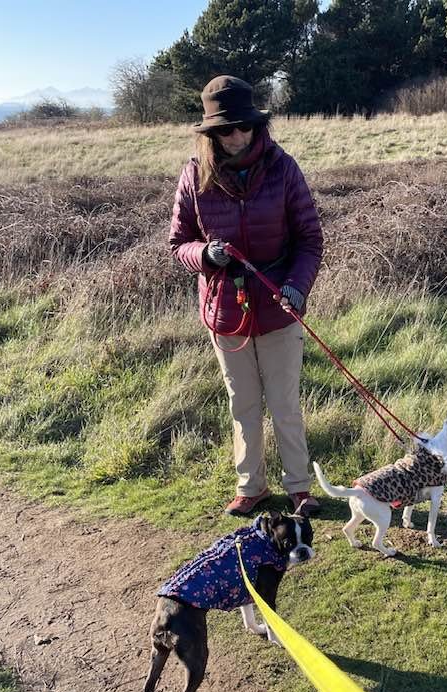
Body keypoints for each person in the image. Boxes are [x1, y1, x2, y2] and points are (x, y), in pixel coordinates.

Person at [170, 76, 323, 517]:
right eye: (224, 129)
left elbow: (310, 239)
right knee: (243, 405)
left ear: (257, 125)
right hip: (225, 313)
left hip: (280, 307)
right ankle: (251, 487)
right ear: (210, 133)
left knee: (285, 404)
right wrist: (206, 255)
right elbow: (178, 244)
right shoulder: (193, 175)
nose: (236, 136)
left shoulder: (283, 168)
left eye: (244, 126)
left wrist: (297, 285)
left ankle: (299, 488)